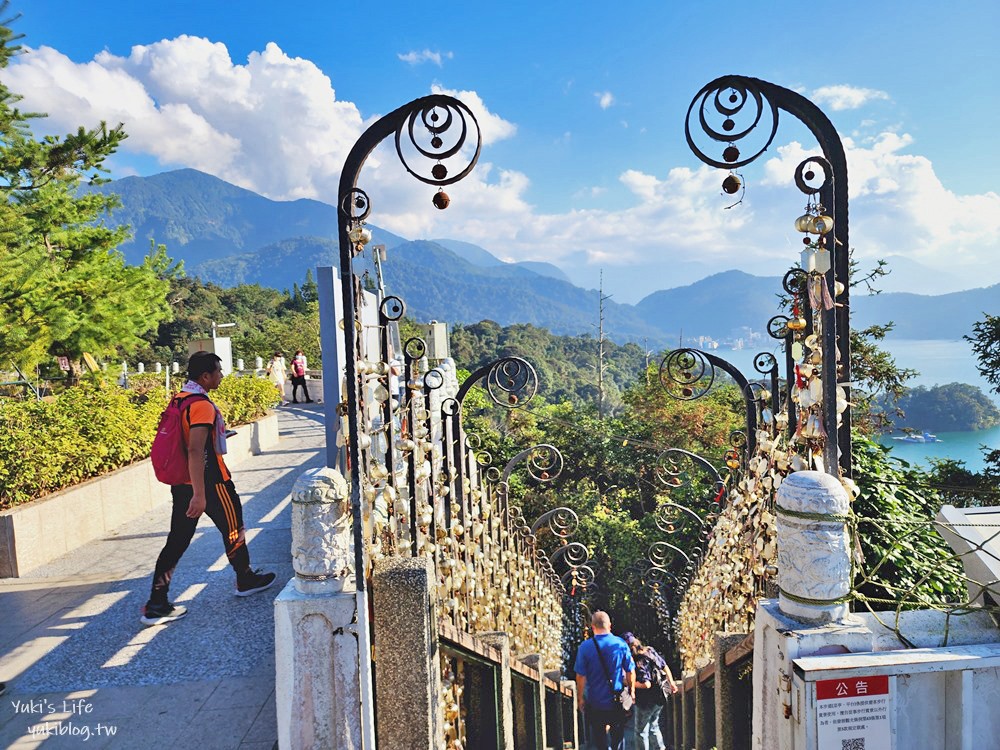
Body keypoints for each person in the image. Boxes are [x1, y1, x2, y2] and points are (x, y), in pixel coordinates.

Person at [141, 352, 276, 626]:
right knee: (234, 527)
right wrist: (200, 495)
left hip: (182, 484)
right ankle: (245, 578)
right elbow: (195, 449)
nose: (221, 376)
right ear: (205, 376)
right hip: (210, 484)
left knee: (177, 541)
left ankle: (156, 602)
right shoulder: (201, 405)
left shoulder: (181, 398)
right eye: (218, 372)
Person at [574, 611, 635, 750]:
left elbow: (581, 676)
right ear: (610, 626)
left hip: (595, 701)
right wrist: (632, 692)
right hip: (616, 700)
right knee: (618, 738)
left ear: (592, 627)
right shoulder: (620, 644)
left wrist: (580, 698)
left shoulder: (585, 647)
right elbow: (631, 671)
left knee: (599, 739)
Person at [624, 632, 678, 750]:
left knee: (640, 731)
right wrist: (672, 683)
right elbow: (664, 666)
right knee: (654, 726)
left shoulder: (637, 660)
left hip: (645, 701)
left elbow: (646, 684)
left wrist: (628, 683)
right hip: (659, 697)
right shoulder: (650, 651)